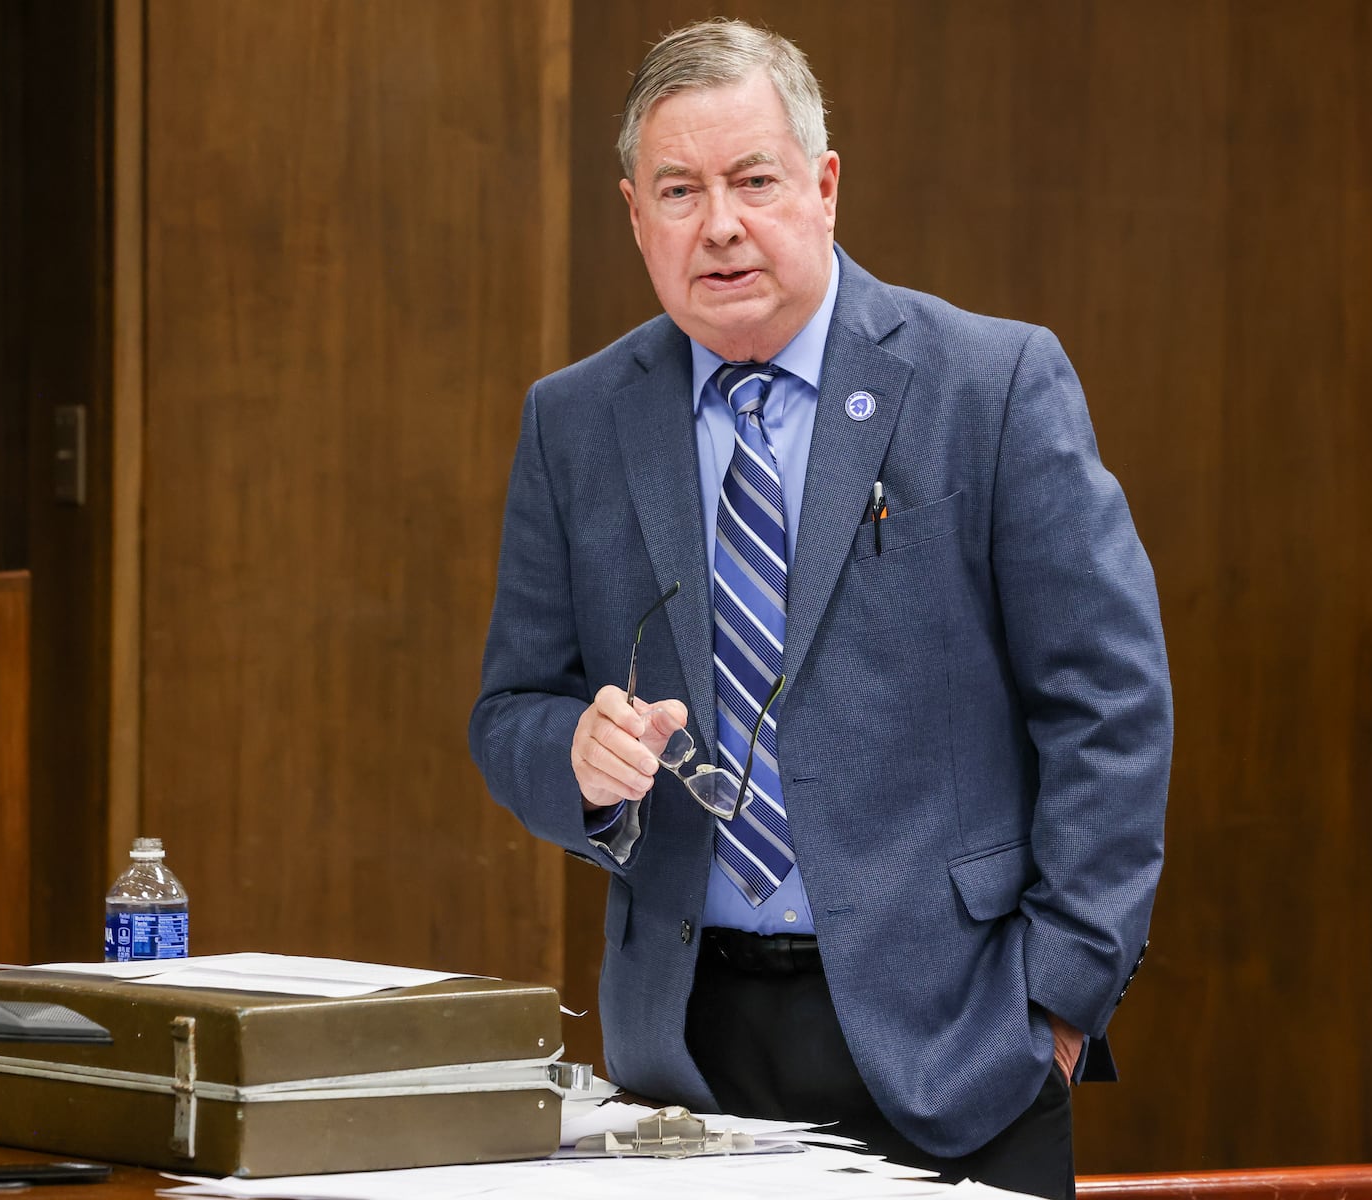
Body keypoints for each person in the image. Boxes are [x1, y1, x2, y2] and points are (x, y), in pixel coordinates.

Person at [469, 18, 1171, 1198]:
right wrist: (575, 757)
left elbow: (1110, 708)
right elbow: (509, 712)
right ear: (634, 213)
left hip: (957, 1046)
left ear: (824, 185)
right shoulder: (575, 422)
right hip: (683, 1054)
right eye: (679, 191)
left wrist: (1056, 1003)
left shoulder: (988, 385)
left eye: (753, 180)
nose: (721, 225)